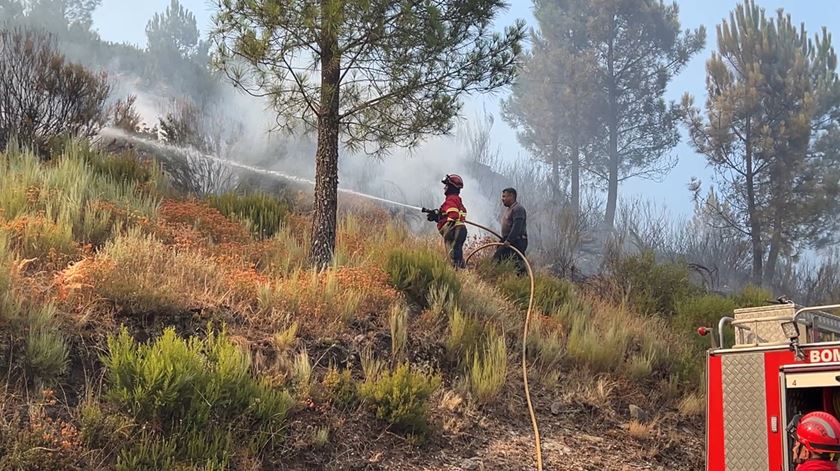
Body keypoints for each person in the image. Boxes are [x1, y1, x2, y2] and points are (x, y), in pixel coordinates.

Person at [426, 174, 468, 269]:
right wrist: (437, 217)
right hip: (460, 230)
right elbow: (454, 215)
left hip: (453, 231)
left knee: (452, 256)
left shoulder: (451, 199)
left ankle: (456, 273)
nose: (444, 188)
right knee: (457, 254)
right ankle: (462, 271)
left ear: (451, 187)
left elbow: (453, 215)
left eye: (446, 185)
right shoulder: (458, 201)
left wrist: (440, 216)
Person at [493, 187, 528, 275]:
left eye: (504, 196)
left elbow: (517, 227)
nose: (502, 199)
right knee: (514, 263)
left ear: (511, 196)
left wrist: (509, 240)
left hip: (517, 241)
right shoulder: (509, 209)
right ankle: (498, 278)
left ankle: (524, 280)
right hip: (509, 241)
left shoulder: (518, 209)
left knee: (500, 259)